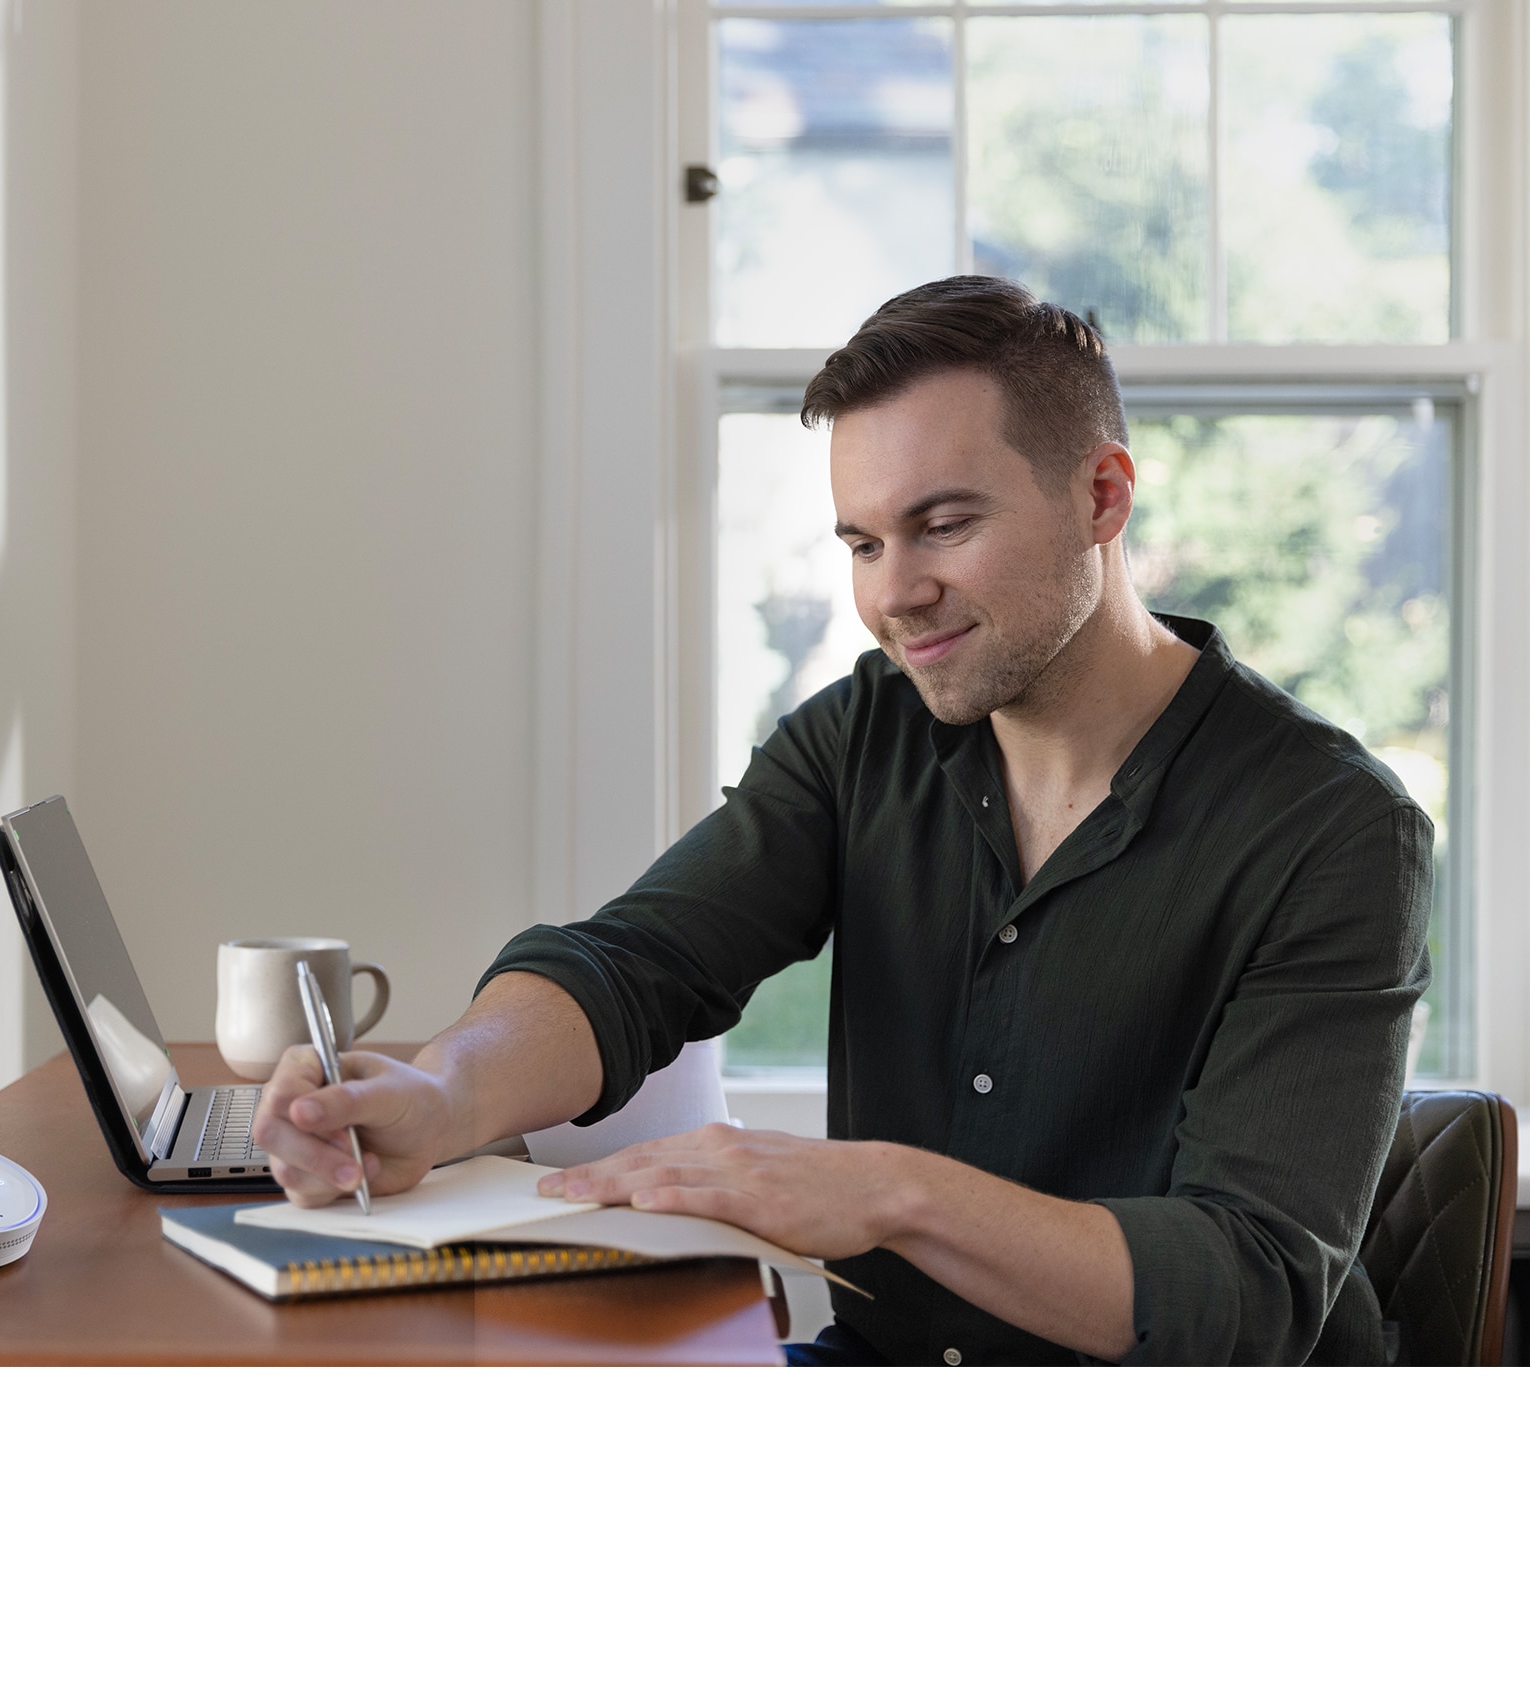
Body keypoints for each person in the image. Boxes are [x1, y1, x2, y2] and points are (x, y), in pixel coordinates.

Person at [252, 277, 1432, 1365]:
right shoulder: (865, 733)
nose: (890, 593)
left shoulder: (1332, 831)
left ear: (1101, 496)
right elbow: (639, 962)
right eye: (864, 543)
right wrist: (442, 1094)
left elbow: (1251, 1287)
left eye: (944, 525)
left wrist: (888, 1194)